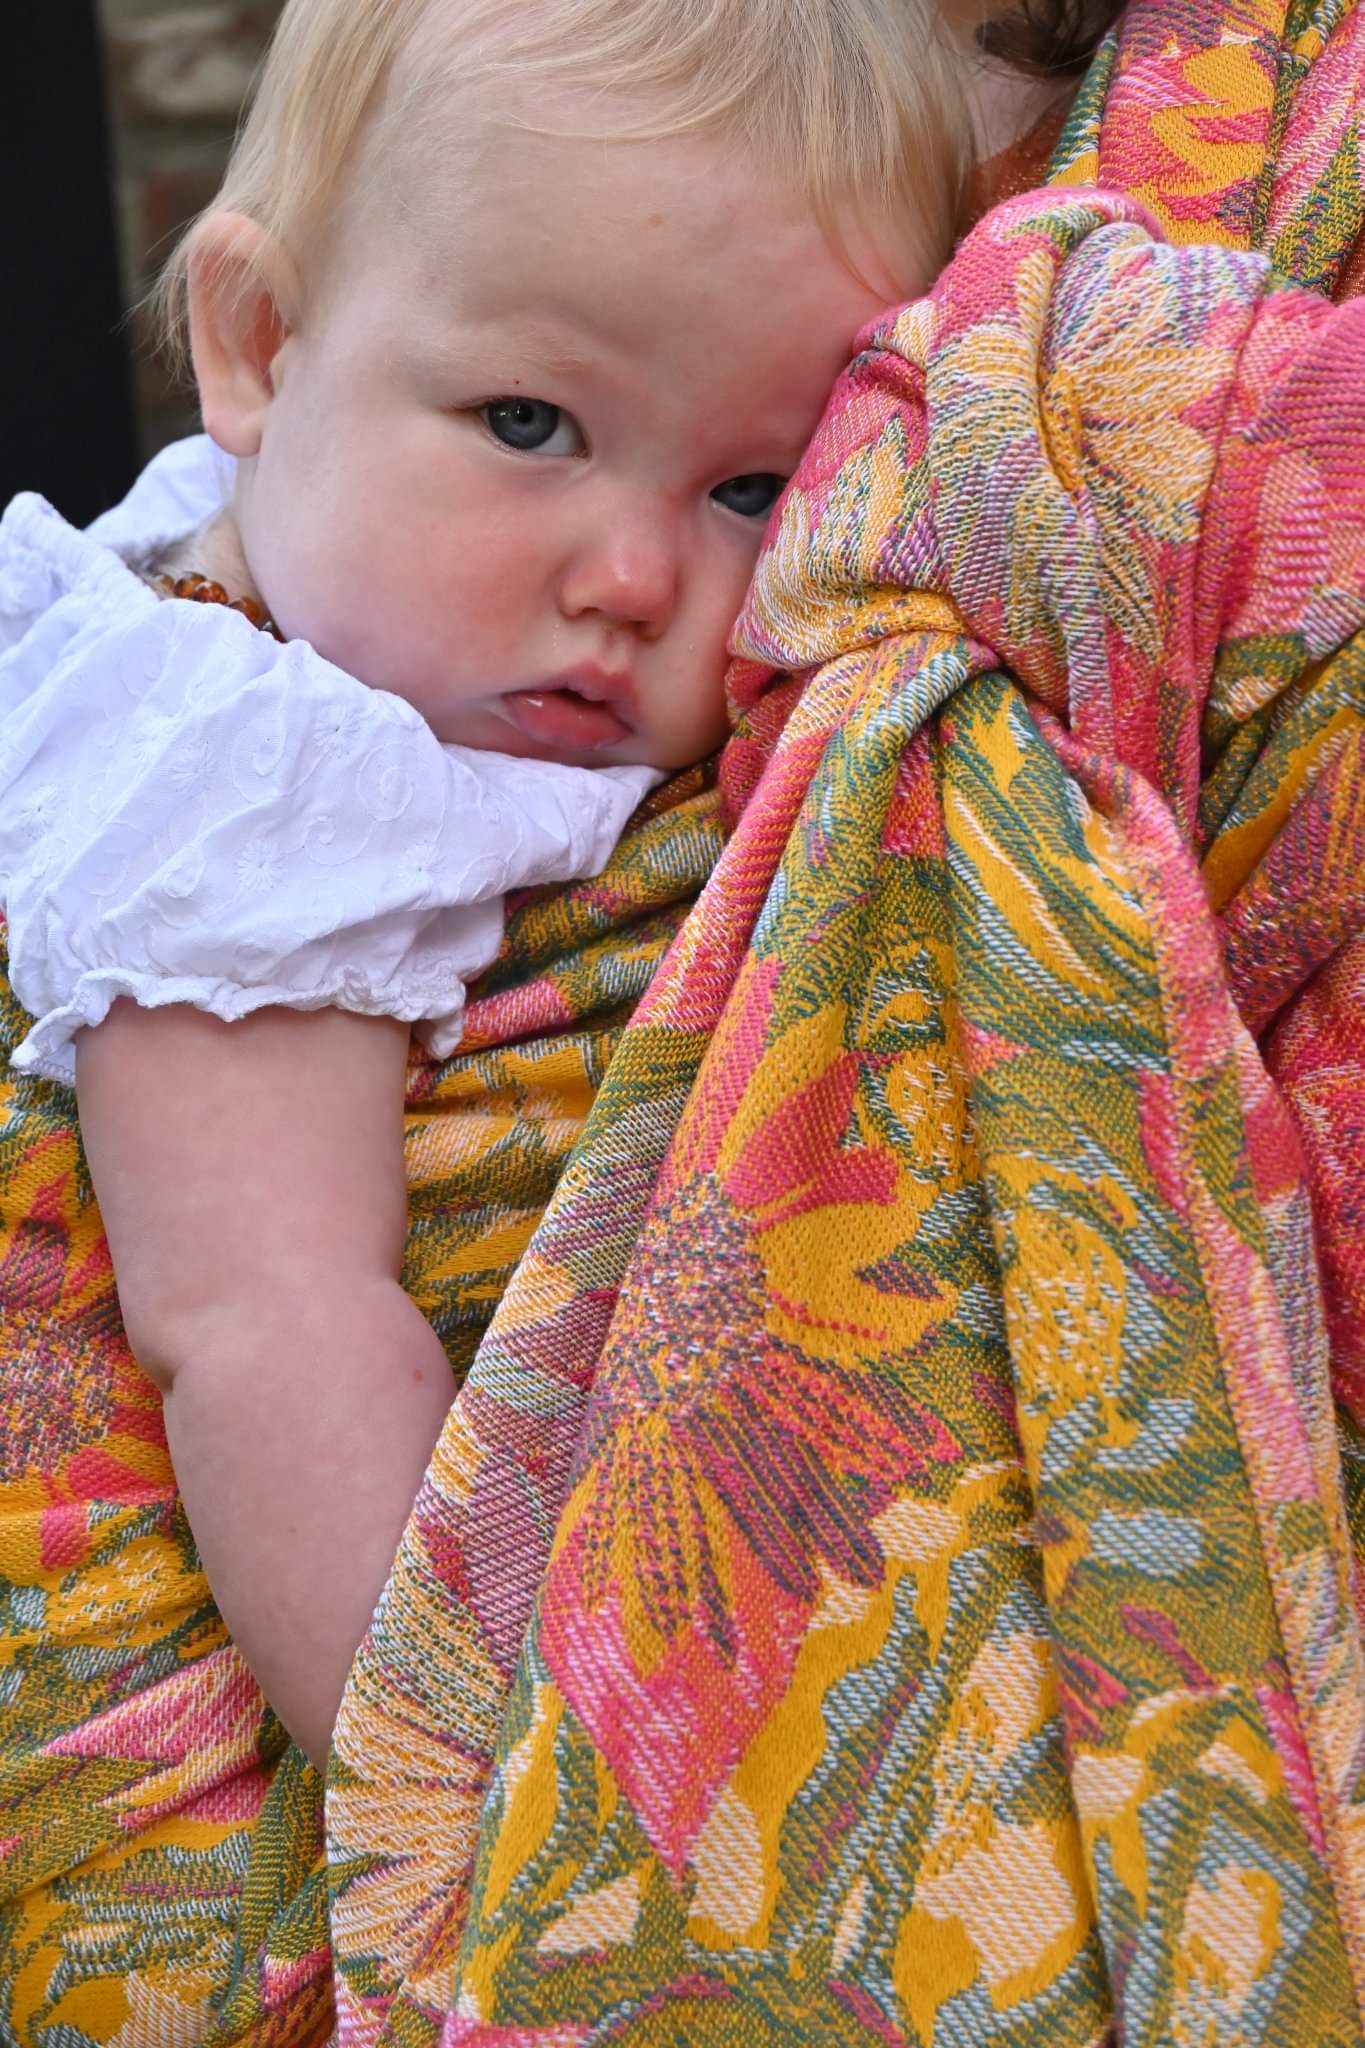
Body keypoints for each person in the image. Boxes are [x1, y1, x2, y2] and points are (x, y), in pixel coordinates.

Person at [0, 0, 972, 1771]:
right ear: (262, 346)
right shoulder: (247, 790)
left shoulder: (337, 550)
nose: (626, 573)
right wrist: (466, 1792)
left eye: (750, 485)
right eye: (529, 421)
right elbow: (259, 1324)